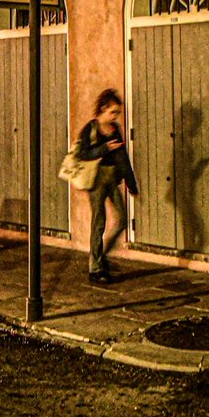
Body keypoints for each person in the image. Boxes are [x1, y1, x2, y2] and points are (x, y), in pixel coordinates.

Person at [77, 88, 138, 285]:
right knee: (99, 222)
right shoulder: (91, 129)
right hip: (96, 180)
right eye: (113, 112)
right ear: (103, 108)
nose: (115, 116)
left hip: (113, 179)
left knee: (121, 220)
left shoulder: (115, 130)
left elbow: (123, 157)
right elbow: (82, 153)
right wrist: (104, 148)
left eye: (117, 113)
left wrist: (131, 182)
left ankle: (100, 256)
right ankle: (95, 268)